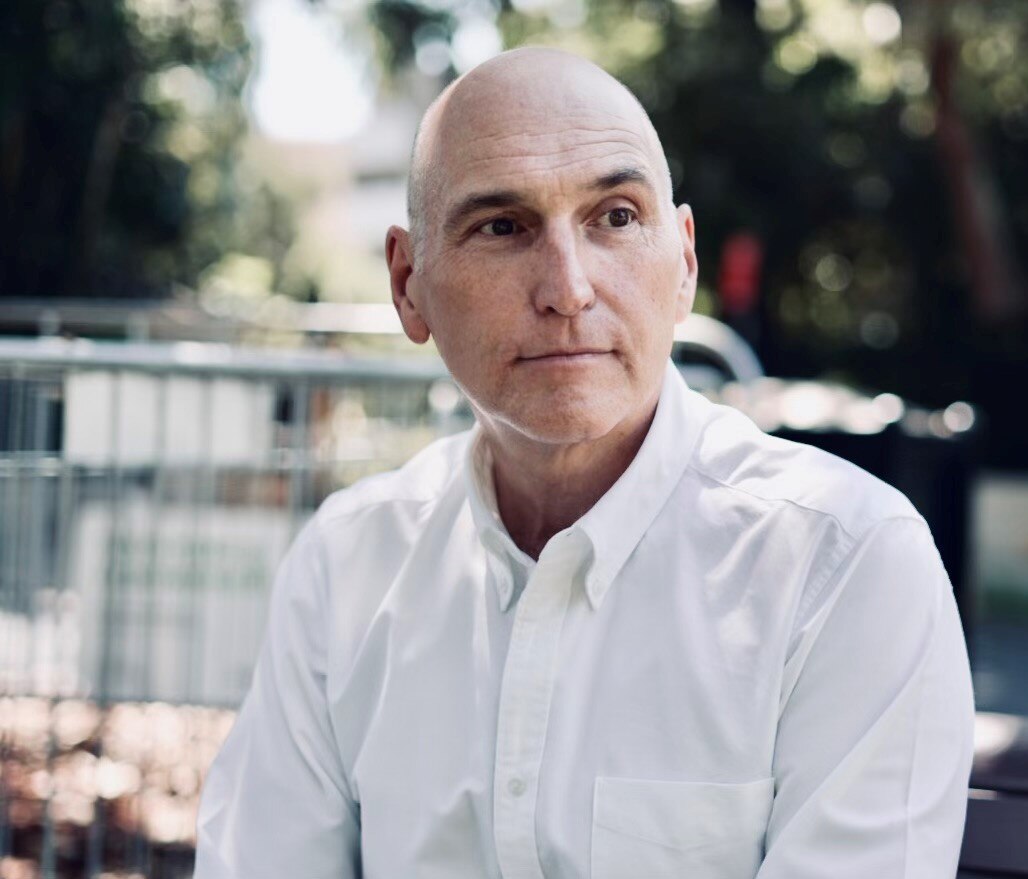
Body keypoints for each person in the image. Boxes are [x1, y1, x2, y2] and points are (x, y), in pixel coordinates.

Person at [194, 46, 975, 879]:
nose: (567, 287)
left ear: (683, 263)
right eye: (502, 226)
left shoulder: (844, 565)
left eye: (615, 217)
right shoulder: (344, 566)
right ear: (407, 282)